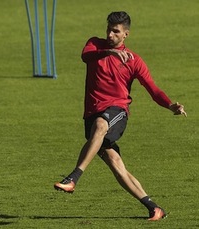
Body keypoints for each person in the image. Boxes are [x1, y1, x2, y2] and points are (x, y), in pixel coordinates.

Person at [54, 11, 187, 221]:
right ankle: (154, 208)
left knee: (100, 126)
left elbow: (152, 89)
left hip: (117, 111)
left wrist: (170, 105)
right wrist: (110, 53)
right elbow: (85, 57)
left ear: (126, 34)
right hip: (91, 112)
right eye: (108, 29)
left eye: (115, 31)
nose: (110, 34)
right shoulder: (95, 45)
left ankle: (74, 178)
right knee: (115, 163)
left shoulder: (134, 61)